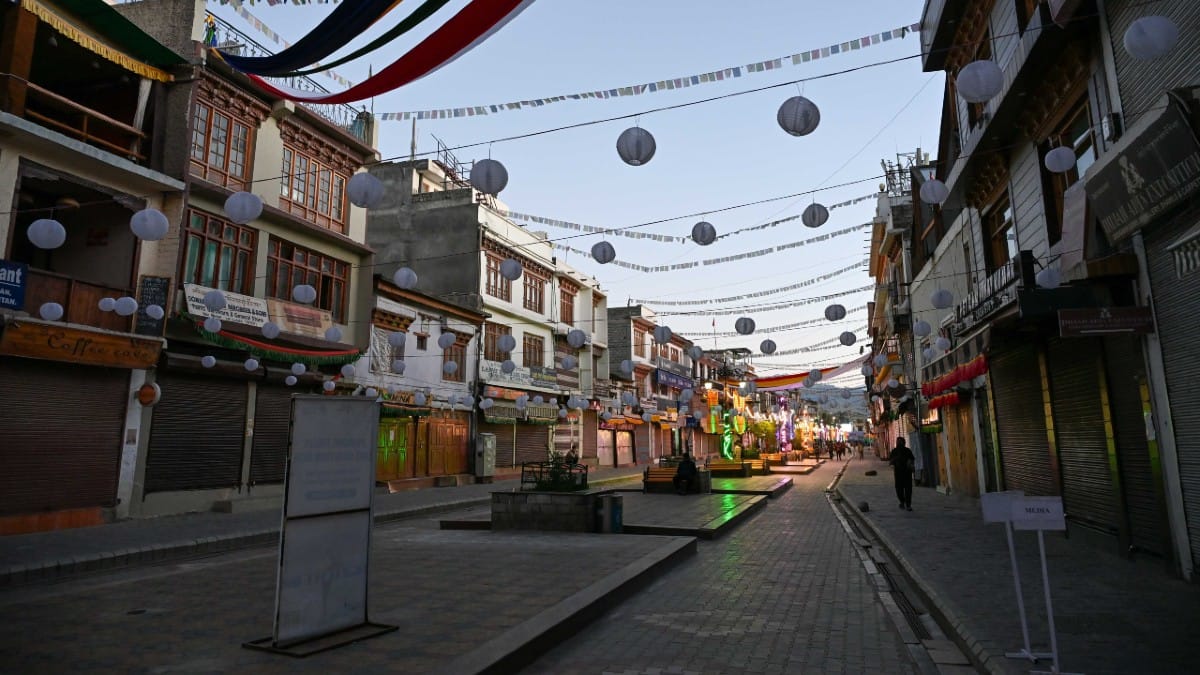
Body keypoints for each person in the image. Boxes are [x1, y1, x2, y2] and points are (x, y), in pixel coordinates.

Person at [889, 437, 915, 511]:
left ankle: (907, 504)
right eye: (898, 442)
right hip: (899, 474)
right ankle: (903, 502)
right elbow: (891, 461)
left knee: (907, 490)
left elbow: (912, 460)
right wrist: (895, 460)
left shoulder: (907, 451)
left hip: (906, 473)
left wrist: (911, 465)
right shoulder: (895, 451)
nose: (899, 443)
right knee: (900, 490)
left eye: (900, 442)